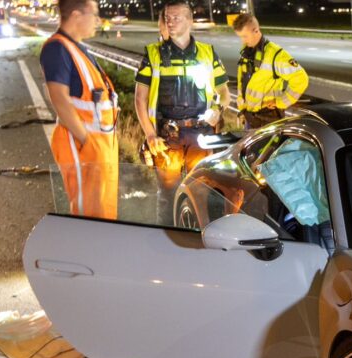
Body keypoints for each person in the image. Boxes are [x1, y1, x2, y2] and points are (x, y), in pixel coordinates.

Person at [134, 0, 230, 225]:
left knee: (202, 189)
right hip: (168, 137)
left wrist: (218, 109)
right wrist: (149, 134)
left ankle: (200, 237)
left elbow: (224, 92)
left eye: (176, 17)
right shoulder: (153, 54)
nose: (171, 22)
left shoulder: (207, 53)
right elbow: (140, 99)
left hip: (201, 135)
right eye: (168, 17)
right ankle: (168, 240)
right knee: (168, 195)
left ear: (190, 21)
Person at [39, 0, 120, 219]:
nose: (97, 21)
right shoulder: (57, 48)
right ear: (76, 15)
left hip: (97, 144)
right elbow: (59, 98)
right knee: (89, 213)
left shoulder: (76, 48)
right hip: (82, 146)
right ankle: (87, 252)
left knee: (103, 209)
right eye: (93, 14)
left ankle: (99, 251)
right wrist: (86, 141)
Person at [232, 14, 307, 129]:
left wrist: (281, 102)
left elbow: (301, 79)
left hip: (269, 118)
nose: (243, 40)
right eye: (240, 37)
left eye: (245, 36)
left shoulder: (276, 54)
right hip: (250, 117)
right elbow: (242, 81)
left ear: (256, 31)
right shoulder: (246, 52)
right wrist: (242, 108)